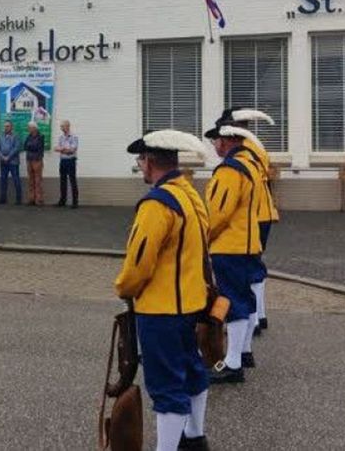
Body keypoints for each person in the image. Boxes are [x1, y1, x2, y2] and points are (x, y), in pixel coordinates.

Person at [115, 129, 213, 451]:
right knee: (192, 371)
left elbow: (139, 262)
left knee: (166, 386)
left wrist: (124, 287)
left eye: (140, 159)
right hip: (190, 303)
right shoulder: (188, 193)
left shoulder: (157, 204)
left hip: (160, 308)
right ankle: (195, 438)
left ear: (150, 160)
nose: (140, 166)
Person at [204, 119, 264, 384]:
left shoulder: (229, 170)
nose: (215, 145)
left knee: (233, 300)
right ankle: (244, 351)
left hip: (230, 244)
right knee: (246, 298)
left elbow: (218, 212)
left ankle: (232, 363)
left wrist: (203, 239)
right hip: (249, 242)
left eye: (215, 140)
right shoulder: (252, 164)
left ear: (225, 141)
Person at [217, 108, 278, 336]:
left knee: (249, 269)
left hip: (254, 215)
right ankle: (258, 316)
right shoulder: (255, 146)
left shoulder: (246, 150)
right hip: (261, 212)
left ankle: (252, 319)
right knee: (253, 266)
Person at [55, 120, 79, 209]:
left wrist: (63, 149)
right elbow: (56, 148)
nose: (61, 128)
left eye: (63, 126)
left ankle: (75, 202)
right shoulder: (61, 137)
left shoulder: (74, 136)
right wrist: (65, 150)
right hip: (63, 161)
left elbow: (72, 150)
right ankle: (62, 200)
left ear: (68, 126)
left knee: (72, 181)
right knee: (62, 181)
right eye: (61, 126)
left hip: (71, 160)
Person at [0, 120, 22, 205]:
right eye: (5, 126)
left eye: (8, 126)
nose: (6, 128)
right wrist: (2, 157)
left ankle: (19, 200)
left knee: (16, 180)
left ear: (11, 127)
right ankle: (3, 199)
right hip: (3, 162)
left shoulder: (16, 136)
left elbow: (16, 148)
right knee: (3, 180)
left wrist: (8, 157)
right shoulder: (0, 136)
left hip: (13, 162)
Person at [23, 121, 45, 206]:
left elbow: (37, 147)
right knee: (30, 180)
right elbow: (25, 146)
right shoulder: (28, 136)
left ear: (34, 128)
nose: (28, 129)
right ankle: (31, 199)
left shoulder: (41, 136)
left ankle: (38, 199)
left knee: (38, 180)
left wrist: (30, 146)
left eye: (29, 127)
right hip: (29, 160)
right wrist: (30, 145)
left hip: (37, 160)